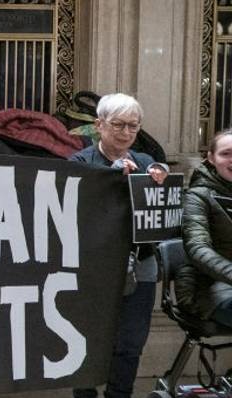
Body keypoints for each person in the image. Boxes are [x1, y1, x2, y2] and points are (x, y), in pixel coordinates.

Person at [69, 93, 169, 398]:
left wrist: (157, 180)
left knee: (130, 342)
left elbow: (158, 212)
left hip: (140, 263)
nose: (126, 134)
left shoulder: (145, 162)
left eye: (133, 127)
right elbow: (72, 209)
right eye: (118, 125)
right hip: (92, 266)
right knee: (86, 339)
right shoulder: (80, 161)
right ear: (99, 125)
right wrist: (108, 179)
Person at [177, 129, 232, 326]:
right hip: (207, 289)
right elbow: (197, 249)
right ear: (210, 158)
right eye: (225, 154)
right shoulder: (197, 196)